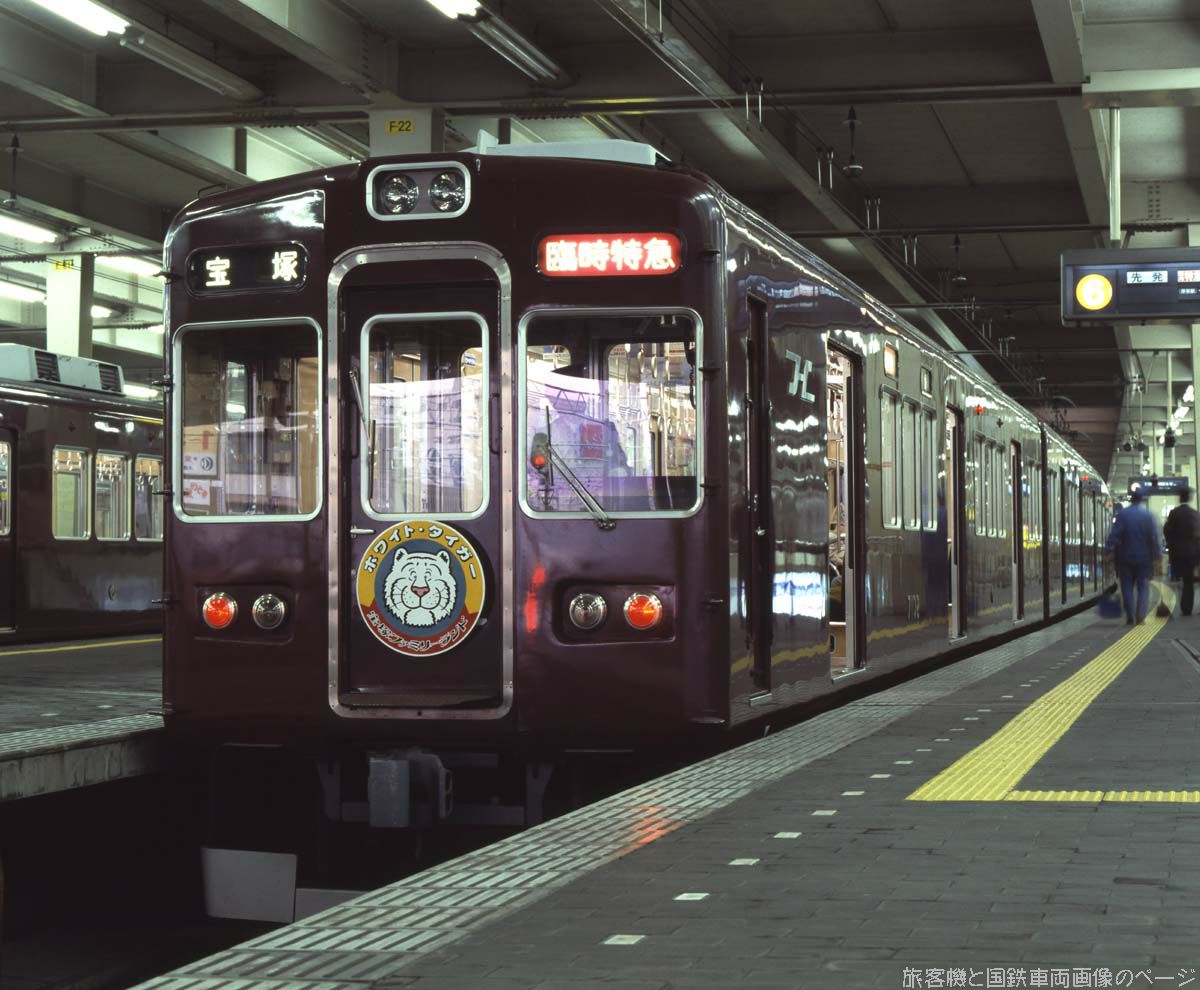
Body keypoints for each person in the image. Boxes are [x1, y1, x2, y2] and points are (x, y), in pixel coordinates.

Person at [1105, 488, 1162, 624]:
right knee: (1143, 586)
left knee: (1126, 586)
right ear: (1142, 499)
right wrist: (1157, 555)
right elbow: (1153, 538)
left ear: (1131, 498)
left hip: (1125, 557)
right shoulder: (1148, 515)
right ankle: (1140, 615)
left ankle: (1130, 615)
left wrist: (1108, 550)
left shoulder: (1123, 514)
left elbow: (1114, 534)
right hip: (1144, 558)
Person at [1163, 488, 1200, 615]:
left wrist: (1171, 543)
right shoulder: (1195, 514)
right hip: (1191, 553)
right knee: (1189, 580)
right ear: (1189, 498)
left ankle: (1179, 604)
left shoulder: (1174, 513)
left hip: (1176, 553)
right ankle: (1187, 607)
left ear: (1180, 498)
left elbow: (1167, 530)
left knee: (1177, 579)